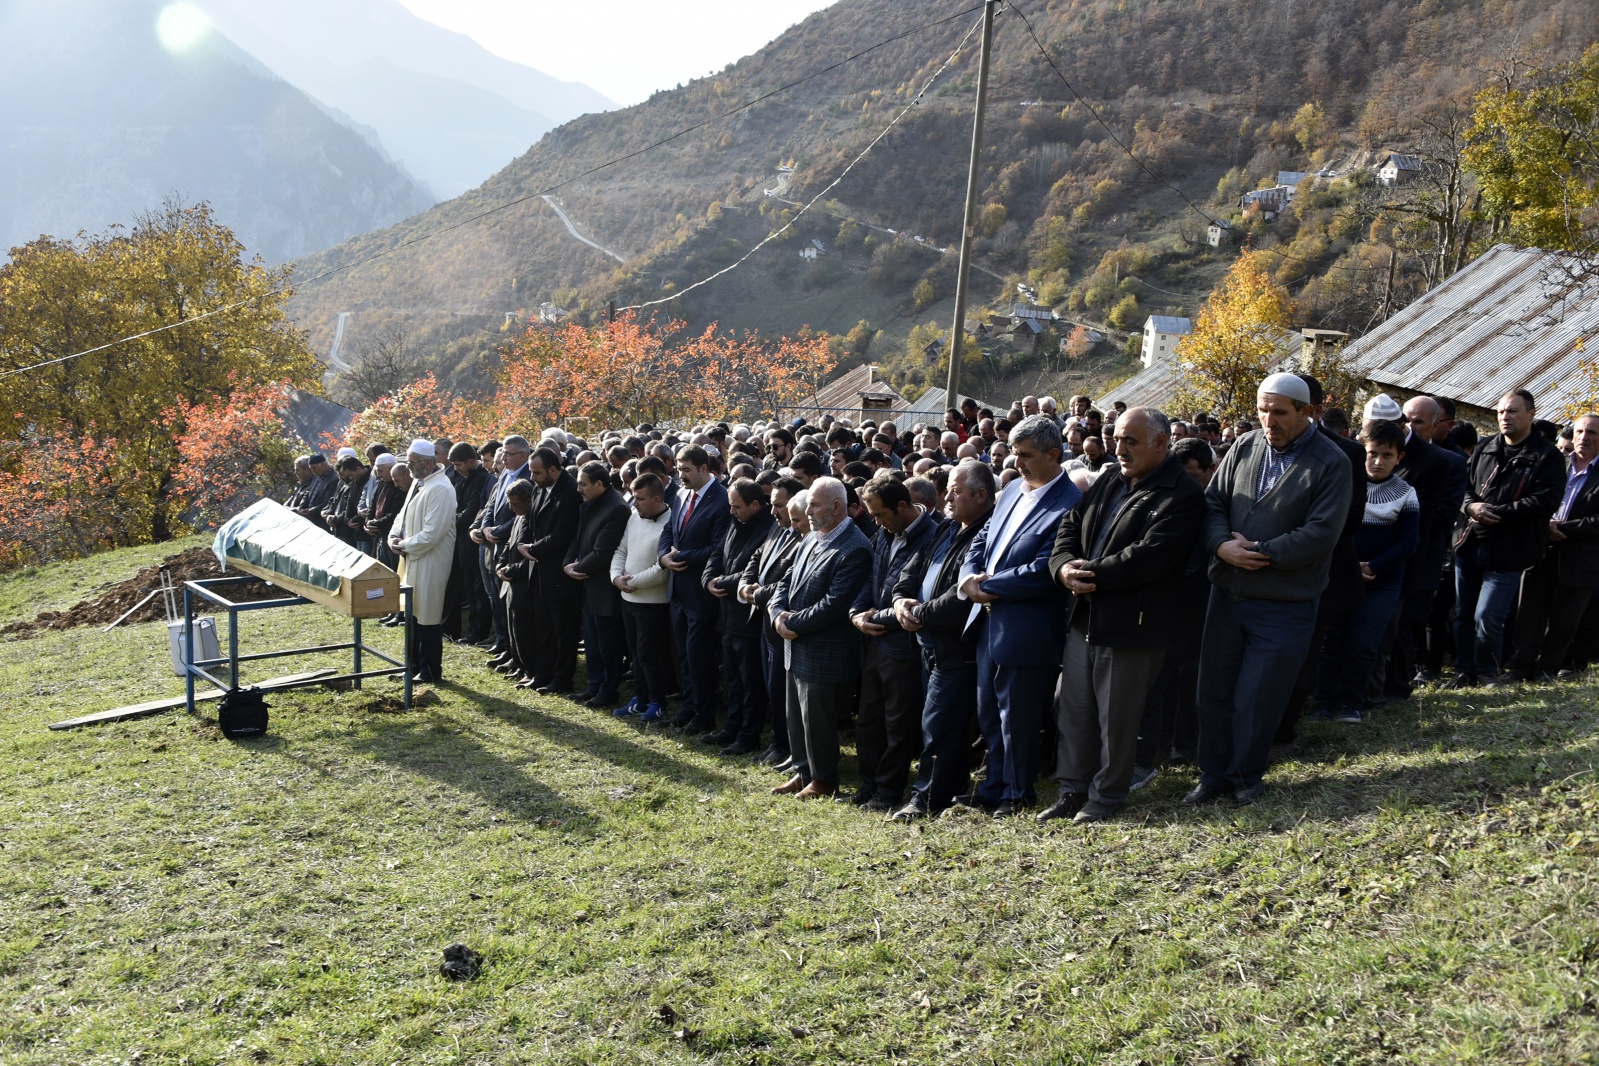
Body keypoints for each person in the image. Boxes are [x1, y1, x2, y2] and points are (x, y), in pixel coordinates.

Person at [1187, 373, 1351, 807]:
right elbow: (1214, 503)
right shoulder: (1245, 446)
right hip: (1227, 593)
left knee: (1259, 695)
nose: (1268, 420)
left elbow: (1321, 532)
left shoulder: (1331, 462)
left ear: (1307, 412)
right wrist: (1221, 545)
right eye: (1262, 410)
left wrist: (1260, 552)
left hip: (1284, 601)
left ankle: (1246, 776)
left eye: (1279, 412)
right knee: (1214, 690)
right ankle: (1213, 775)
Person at [1042, 407, 1205, 823]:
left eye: (1130, 441)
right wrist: (1062, 567)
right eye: (1116, 439)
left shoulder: (1181, 495)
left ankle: (1107, 797)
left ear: (1161, 444)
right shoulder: (1112, 478)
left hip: (1132, 625)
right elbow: (1070, 524)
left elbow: (1150, 558)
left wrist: (1087, 573)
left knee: (1117, 719)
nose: (1119, 448)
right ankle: (1072, 790)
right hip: (1084, 616)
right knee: (1073, 709)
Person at [960, 414, 1082, 816]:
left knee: (1019, 717)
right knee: (989, 712)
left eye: (1026, 455)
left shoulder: (1071, 503)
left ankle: (1017, 792)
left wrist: (987, 585)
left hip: (1027, 627)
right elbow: (982, 539)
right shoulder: (1011, 490)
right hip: (986, 621)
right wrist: (967, 577)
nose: (1018, 463)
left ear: (1053, 454)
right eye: (1014, 454)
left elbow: (1046, 568)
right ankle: (994, 785)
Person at [888, 461, 996, 819]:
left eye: (955, 490)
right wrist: (901, 599)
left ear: (981, 496)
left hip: (955, 648)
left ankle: (927, 798)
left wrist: (918, 614)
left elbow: (960, 597)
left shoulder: (988, 534)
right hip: (928, 645)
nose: (946, 496)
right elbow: (911, 568)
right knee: (933, 723)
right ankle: (945, 787)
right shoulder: (946, 528)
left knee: (940, 726)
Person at [768, 478, 874, 800]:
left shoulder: (855, 547)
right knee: (796, 716)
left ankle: (824, 780)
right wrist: (777, 612)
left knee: (818, 720)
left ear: (837, 507)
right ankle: (803, 772)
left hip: (824, 650)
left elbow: (834, 605)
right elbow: (786, 579)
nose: (808, 511)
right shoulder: (813, 537)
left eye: (814, 505)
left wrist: (792, 622)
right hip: (796, 642)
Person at [1452, 389, 1566, 686]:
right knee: (1463, 614)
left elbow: (1545, 501)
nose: (1505, 417)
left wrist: (1500, 512)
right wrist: (1471, 506)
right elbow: (1462, 486)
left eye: (1513, 411)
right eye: (1502, 411)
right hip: (1469, 541)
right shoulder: (1485, 447)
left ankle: (1487, 671)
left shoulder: (1546, 456)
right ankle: (1465, 671)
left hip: (1509, 548)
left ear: (1531, 414)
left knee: (1488, 616)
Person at [1313, 419, 1420, 722]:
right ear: (1363, 451)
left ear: (1399, 458)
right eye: (1372, 453)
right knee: (1332, 640)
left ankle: (1351, 703)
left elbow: (1408, 543)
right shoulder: (1345, 482)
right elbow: (1331, 529)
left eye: (1387, 455)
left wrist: (1374, 566)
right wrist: (1349, 566)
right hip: (1341, 574)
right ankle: (1322, 702)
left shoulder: (1406, 494)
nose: (1378, 461)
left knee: (1363, 644)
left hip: (1382, 580)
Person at [849, 475, 939, 811]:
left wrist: (874, 618)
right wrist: (857, 613)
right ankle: (869, 784)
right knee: (869, 720)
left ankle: (888, 792)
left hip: (904, 647)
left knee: (897, 725)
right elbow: (870, 579)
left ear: (902, 506)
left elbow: (914, 598)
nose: (875, 522)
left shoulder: (932, 536)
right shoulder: (884, 534)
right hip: (875, 641)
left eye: (880, 514)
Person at [1507, 414, 1599, 680]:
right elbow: (1532, 498)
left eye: (1592, 432)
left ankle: (1547, 669)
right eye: (1580, 431)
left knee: (1566, 619)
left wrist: (1564, 529)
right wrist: (1544, 525)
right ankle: (1519, 667)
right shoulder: (1555, 465)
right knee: (1529, 612)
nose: (1584, 437)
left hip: (1582, 556)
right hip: (1542, 547)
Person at [658, 446, 733, 732]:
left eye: (686, 469)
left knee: (699, 655)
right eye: (678, 469)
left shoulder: (722, 500)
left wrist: (682, 557)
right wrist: (663, 556)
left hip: (701, 594)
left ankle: (704, 714)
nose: (681, 475)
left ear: (705, 469)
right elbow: (669, 532)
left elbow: (718, 548)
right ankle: (689, 708)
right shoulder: (679, 494)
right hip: (678, 590)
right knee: (684, 655)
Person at [703, 478, 776, 752]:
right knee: (733, 678)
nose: (732, 511)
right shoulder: (735, 521)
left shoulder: (769, 528)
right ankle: (732, 727)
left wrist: (721, 582)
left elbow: (753, 569)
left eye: (737, 507)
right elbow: (718, 552)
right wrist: (709, 578)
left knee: (750, 682)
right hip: (727, 617)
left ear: (755, 504)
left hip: (749, 618)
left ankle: (748, 734)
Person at [740, 482, 807, 766]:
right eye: (773, 503)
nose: (774, 510)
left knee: (783, 692)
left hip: (784, 622)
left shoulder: (805, 535)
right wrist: (745, 583)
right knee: (771, 687)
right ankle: (778, 743)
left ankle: (789, 748)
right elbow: (757, 556)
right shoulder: (777, 527)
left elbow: (788, 581)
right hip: (765, 622)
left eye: (780, 505)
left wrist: (756, 593)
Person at [388, 439, 458, 683]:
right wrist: (393, 536)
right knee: (412, 614)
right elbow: (402, 515)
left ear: (428, 463)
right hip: (412, 557)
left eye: (412, 463)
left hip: (431, 560)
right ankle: (412, 665)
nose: (408, 468)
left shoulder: (441, 488)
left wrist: (403, 545)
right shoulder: (419, 483)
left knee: (427, 616)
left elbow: (432, 533)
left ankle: (430, 670)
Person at [564, 461, 631, 706]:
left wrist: (575, 569)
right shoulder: (589, 504)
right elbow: (577, 538)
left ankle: (608, 690)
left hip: (605, 588)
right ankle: (595, 685)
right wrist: (567, 564)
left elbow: (603, 552)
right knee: (592, 642)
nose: (578, 489)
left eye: (583, 484)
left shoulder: (617, 509)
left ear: (599, 485)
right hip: (588, 585)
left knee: (608, 644)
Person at [611, 473, 674, 721]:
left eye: (639, 498)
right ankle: (641, 697)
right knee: (635, 652)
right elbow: (621, 549)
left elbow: (663, 569)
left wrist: (632, 582)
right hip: (628, 598)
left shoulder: (671, 521)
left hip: (653, 603)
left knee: (651, 654)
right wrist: (616, 577)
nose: (633, 503)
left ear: (657, 498)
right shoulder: (634, 517)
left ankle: (658, 702)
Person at [520, 447, 583, 692]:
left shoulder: (570, 492)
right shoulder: (539, 487)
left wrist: (532, 549)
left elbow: (562, 535)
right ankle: (543, 674)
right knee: (543, 627)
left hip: (559, 573)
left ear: (553, 470)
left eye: (536, 472)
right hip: (538, 571)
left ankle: (561, 679)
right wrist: (522, 544)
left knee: (563, 632)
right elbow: (530, 520)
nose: (532, 477)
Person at [471, 435, 531, 658]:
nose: (502, 458)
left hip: (510, 546)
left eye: (507, 454)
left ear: (522, 455)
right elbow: (491, 504)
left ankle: (512, 649)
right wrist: (484, 528)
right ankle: (502, 640)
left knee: (508, 601)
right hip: (492, 545)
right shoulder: (505, 473)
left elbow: (523, 513)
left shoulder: (528, 475)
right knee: (495, 598)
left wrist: (497, 531)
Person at [493, 481, 539, 684]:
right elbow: (509, 546)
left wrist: (510, 570)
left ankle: (529, 668)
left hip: (522, 583)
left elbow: (528, 556)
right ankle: (518, 664)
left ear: (528, 500)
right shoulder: (519, 517)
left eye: (515, 503)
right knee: (512, 628)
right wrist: (500, 565)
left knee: (525, 631)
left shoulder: (533, 518)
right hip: (510, 582)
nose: (511, 508)